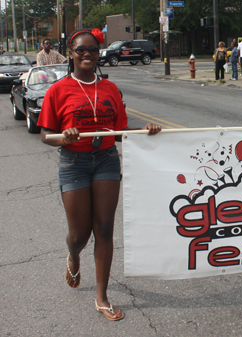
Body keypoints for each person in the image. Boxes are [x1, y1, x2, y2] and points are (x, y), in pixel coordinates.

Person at [37, 28, 161, 321]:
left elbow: (117, 133)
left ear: (99, 54)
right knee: (80, 234)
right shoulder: (58, 89)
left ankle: (102, 296)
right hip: (74, 162)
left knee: (104, 229)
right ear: (71, 52)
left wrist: (143, 132)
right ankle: (74, 254)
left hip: (106, 160)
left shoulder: (110, 89)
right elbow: (45, 135)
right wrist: (63, 137)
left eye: (93, 50)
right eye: (81, 50)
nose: (88, 54)